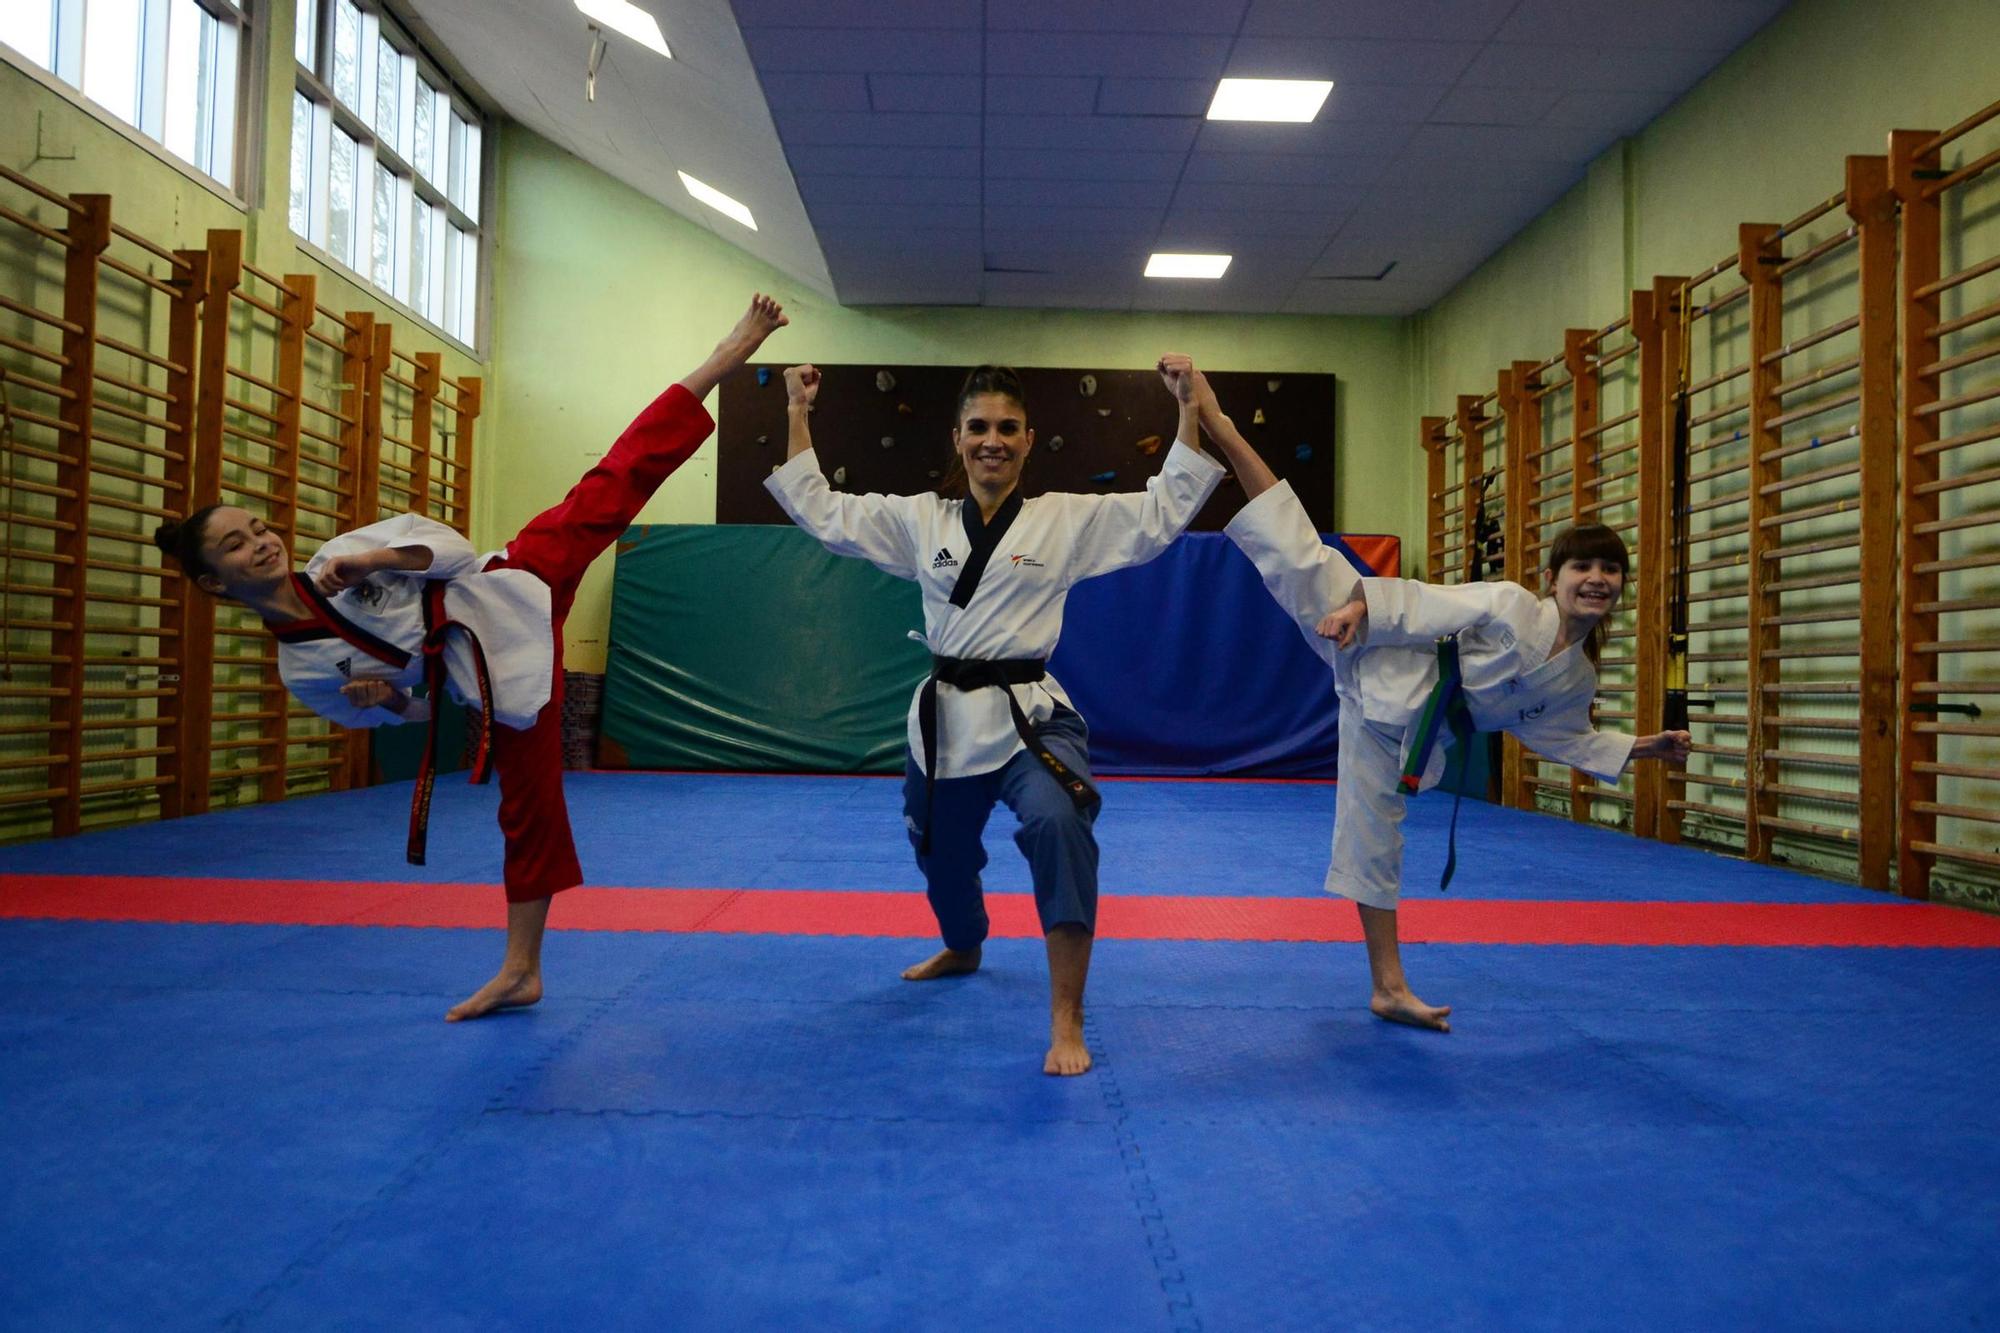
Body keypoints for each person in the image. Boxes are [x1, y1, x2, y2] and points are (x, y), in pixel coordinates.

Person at [153, 294, 789, 1021]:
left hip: (511, 585)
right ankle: (522, 970)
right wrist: (388, 702)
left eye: (259, 526)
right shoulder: (302, 669)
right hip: (494, 680)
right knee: (528, 811)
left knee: (617, 476)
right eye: (237, 545)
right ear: (213, 582)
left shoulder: (336, 556)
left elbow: (452, 551)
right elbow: (419, 709)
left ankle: (727, 354)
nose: (262, 542)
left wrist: (376, 559)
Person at [1190, 369, 1691, 1032]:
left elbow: (1564, 737)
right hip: (1382, 649)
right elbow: (1428, 604)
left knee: (1374, 846)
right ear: (1553, 579)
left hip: (1396, 731)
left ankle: (1388, 987)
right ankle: (1220, 423)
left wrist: (1644, 746)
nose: (1595, 580)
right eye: (1582, 568)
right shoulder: (1514, 605)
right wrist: (1357, 608)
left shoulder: (1574, 680)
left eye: (1608, 571)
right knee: (1297, 551)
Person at [765, 357, 1224, 1074]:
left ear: (1030, 439)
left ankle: (1066, 1017)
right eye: (978, 427)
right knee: (938, 853)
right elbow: (824, 511)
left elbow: (1162, 511)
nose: (993, 440)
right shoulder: (921, 520)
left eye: (1008, 427)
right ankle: (965, 940)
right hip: (946, 719)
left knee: (1058, 821)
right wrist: (798, 409)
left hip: (1031, 718)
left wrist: (1189, 408)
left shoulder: (1063, 520)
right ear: (956, 437)